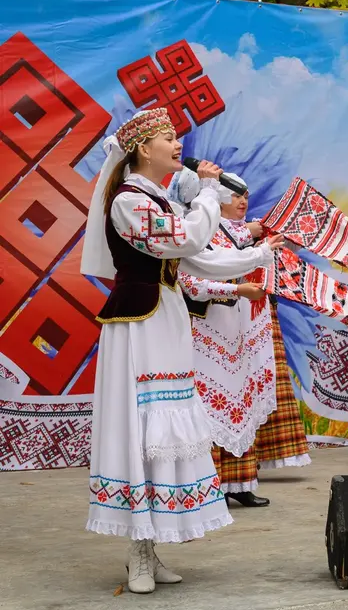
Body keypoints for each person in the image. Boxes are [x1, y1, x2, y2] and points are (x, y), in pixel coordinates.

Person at [81, 109, 277, 594]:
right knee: (140, 430)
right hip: (137, 327)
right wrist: (210, 192)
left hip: (166, 319)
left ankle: (151, 547)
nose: (177, 144)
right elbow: (186, 239)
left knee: (163, 430)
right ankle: (138, 554)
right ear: (143, 150)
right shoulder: (128, 201)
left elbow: (200, 256)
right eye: (168, 137)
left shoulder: (158, 199)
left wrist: (260, 254)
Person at [179, 175, 309, 507]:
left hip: (239, 329)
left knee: (240, 404)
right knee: (212, 408)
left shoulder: (238, 233)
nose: (242, 200)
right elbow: (191, 283)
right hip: (206, 331)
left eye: (245, 195)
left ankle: (240, 484)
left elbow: (259, 257)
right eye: (234, 195)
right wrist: (237, 288)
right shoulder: (195, 236)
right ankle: (212, 488)